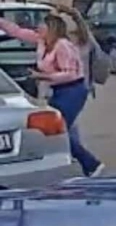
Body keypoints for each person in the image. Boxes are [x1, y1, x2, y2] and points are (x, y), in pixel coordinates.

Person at [0, 13, 104, 177]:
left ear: (51, 29)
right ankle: (83, 162)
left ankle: (91, 164)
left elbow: (71, 74)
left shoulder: (63, 45)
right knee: (63, 127)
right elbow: (17, 31)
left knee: (59, 129)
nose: (38, 27)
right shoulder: (42, 41)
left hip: (73, 90)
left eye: (42, 25)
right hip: (59, 90)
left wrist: (43, 76)